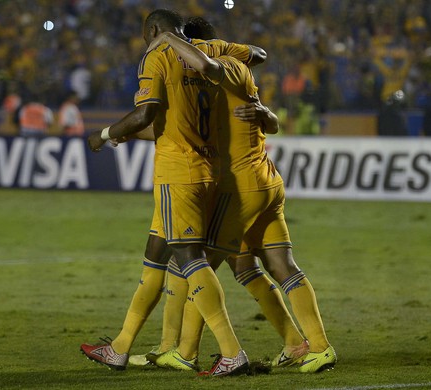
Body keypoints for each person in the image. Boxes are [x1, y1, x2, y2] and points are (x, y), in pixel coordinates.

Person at [145, 19, 337, 374]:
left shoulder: (224, 67)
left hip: (242, 185)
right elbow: (264, 115)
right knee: (262, 266)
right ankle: (307, 345)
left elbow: (210, 68)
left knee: (196, 266)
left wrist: (170, 39)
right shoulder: (235, 71)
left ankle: (185, 352)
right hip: (265, 180)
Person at [80, 9, 265, 377]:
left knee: (190, 258)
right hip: (209, 169)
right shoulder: (211, 49)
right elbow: (257, 54)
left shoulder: (158, 55)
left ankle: (231, 352)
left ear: (152, 31)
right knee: (155, 256)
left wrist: (103, 135)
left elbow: (146, 113)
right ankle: (119, 347)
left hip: (178, 173)